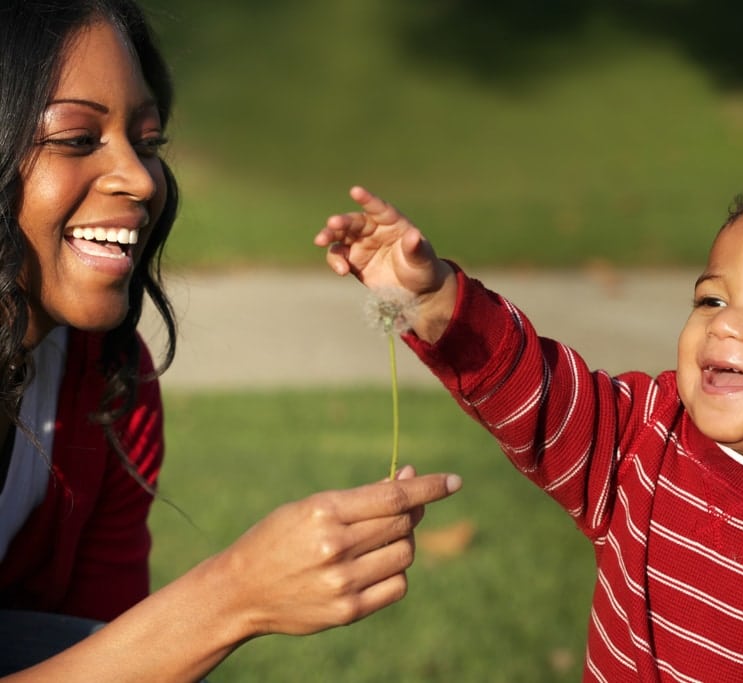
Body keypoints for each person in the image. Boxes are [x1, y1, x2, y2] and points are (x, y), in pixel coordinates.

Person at [314, 166, 743, 680]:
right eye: (711, 297)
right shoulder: (644, 440)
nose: (726, 322)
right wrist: (432, 297)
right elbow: (529, 387)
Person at [0, 1, 462, 681]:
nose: (139, 178)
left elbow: (108, 652)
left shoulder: (113, 387)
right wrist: (233, 594)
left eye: (148, 141)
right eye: (76, 137)